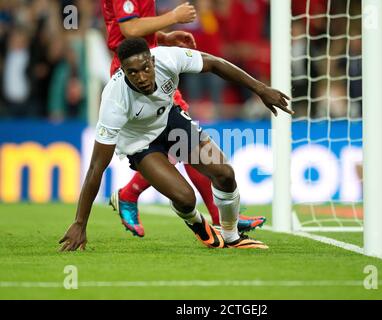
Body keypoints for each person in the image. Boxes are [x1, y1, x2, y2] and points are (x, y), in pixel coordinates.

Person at [59, 38, 292, 251]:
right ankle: (197, 223)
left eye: (145, 68)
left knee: (224, 174)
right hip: (140, 144)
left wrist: (261, 89)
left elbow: (215, 63)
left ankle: (231, 236)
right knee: (185, 198)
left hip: (170, 120)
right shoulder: (114, 100)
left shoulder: (168, 57)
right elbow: (95, 169)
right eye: (132, 73)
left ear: (152, 60)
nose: (141, 77)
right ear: (123, 72)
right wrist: (80, 222)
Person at [102, 0, 266, 238]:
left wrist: (162, 37)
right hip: (136, 72)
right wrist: (174, 16)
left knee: (183, 142)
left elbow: (127, 29)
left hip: (150, 59)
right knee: (178, 143)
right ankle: (131, 194)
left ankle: (131, 194)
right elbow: (129, 29)